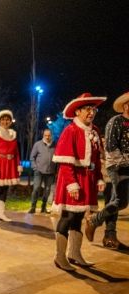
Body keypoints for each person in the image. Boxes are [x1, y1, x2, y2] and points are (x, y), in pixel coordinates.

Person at [51, 93, 106, 271]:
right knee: (68, 216)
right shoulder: (71, 130)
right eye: (88, 109)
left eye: (94, 109)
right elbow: (65, 162)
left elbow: (97, 159)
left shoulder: (95, 131)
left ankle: (74, 253)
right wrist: (71, 184)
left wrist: (98, 177)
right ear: (78, 111)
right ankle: (60, 257)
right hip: (72, 180)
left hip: (87, 179)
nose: (92, 112)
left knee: (80, 217)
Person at [85, 91, 129, 249]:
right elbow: (111, 147)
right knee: (120, 201)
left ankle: (109, 235)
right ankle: (94, 220)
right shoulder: (115, 121)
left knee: (119, 201)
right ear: (124, 106)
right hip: (117, 166)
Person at [99, 136, 121, 248]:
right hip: (106, 182)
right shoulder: (98, 153)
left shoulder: (112, 151)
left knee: (114, 208)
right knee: (111, 206)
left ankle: (110, 235)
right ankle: (109, 235)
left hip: (116, 181)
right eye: (102, 141)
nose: (104, 143)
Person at [28, 129, 56, 214]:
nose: (47, 137)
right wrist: (35, 167)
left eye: (49, 135)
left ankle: (43, 207)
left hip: (51, 172)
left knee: (47, 190)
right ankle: (33, 206)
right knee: (36, 188)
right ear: (43, 135)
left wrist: (56, 170)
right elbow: (32, 157)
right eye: (45, 135)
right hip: (39, 171)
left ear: (51, 135)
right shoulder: (38, 144)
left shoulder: (55, 145)